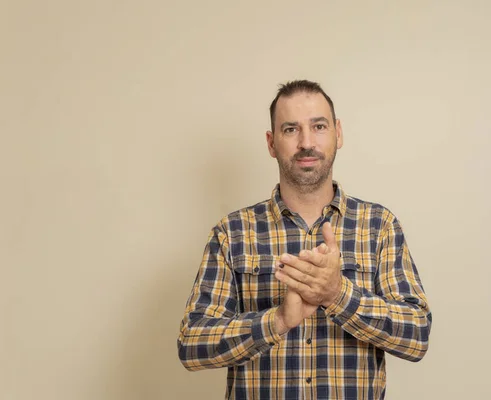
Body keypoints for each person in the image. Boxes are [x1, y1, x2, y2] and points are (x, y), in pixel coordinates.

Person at [177, 80, 432, 399]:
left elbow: (417, 336)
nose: (306, 142)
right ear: (271, 143)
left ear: (338, 133)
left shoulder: (379, 226)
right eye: (290, 129)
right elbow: (191, 345)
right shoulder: (233, 232)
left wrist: (337, 294)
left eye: (319, 126)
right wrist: (277, 321)